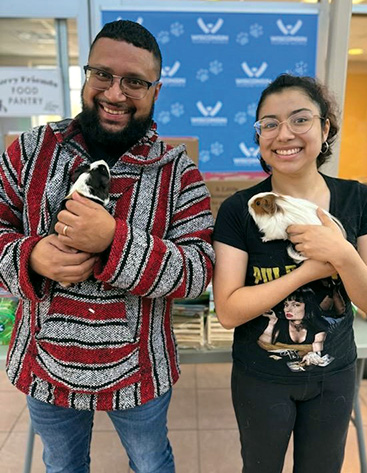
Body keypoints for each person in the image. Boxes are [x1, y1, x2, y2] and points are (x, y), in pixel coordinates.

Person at [0, 20, 214, 473]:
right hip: (44, 366)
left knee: (151, 464)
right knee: (62, 466)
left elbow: (197, 271)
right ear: (86, 76)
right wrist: (31, 256)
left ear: (156, 89)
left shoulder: (178, 172)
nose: (115, 94)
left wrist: (114, 241)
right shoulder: (30, 150)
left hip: (140, 373)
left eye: (134, 82)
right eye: (103, 75)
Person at [212, 73, 367, 473]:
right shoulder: (241, 210)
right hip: (261, 378)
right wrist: (306, 272)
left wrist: (342, 253)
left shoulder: (359, 201)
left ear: (325, 128)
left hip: (333, 375)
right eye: (269, 124)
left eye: (300, 119)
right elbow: (228, 311)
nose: (284, 134)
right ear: (259, 137)